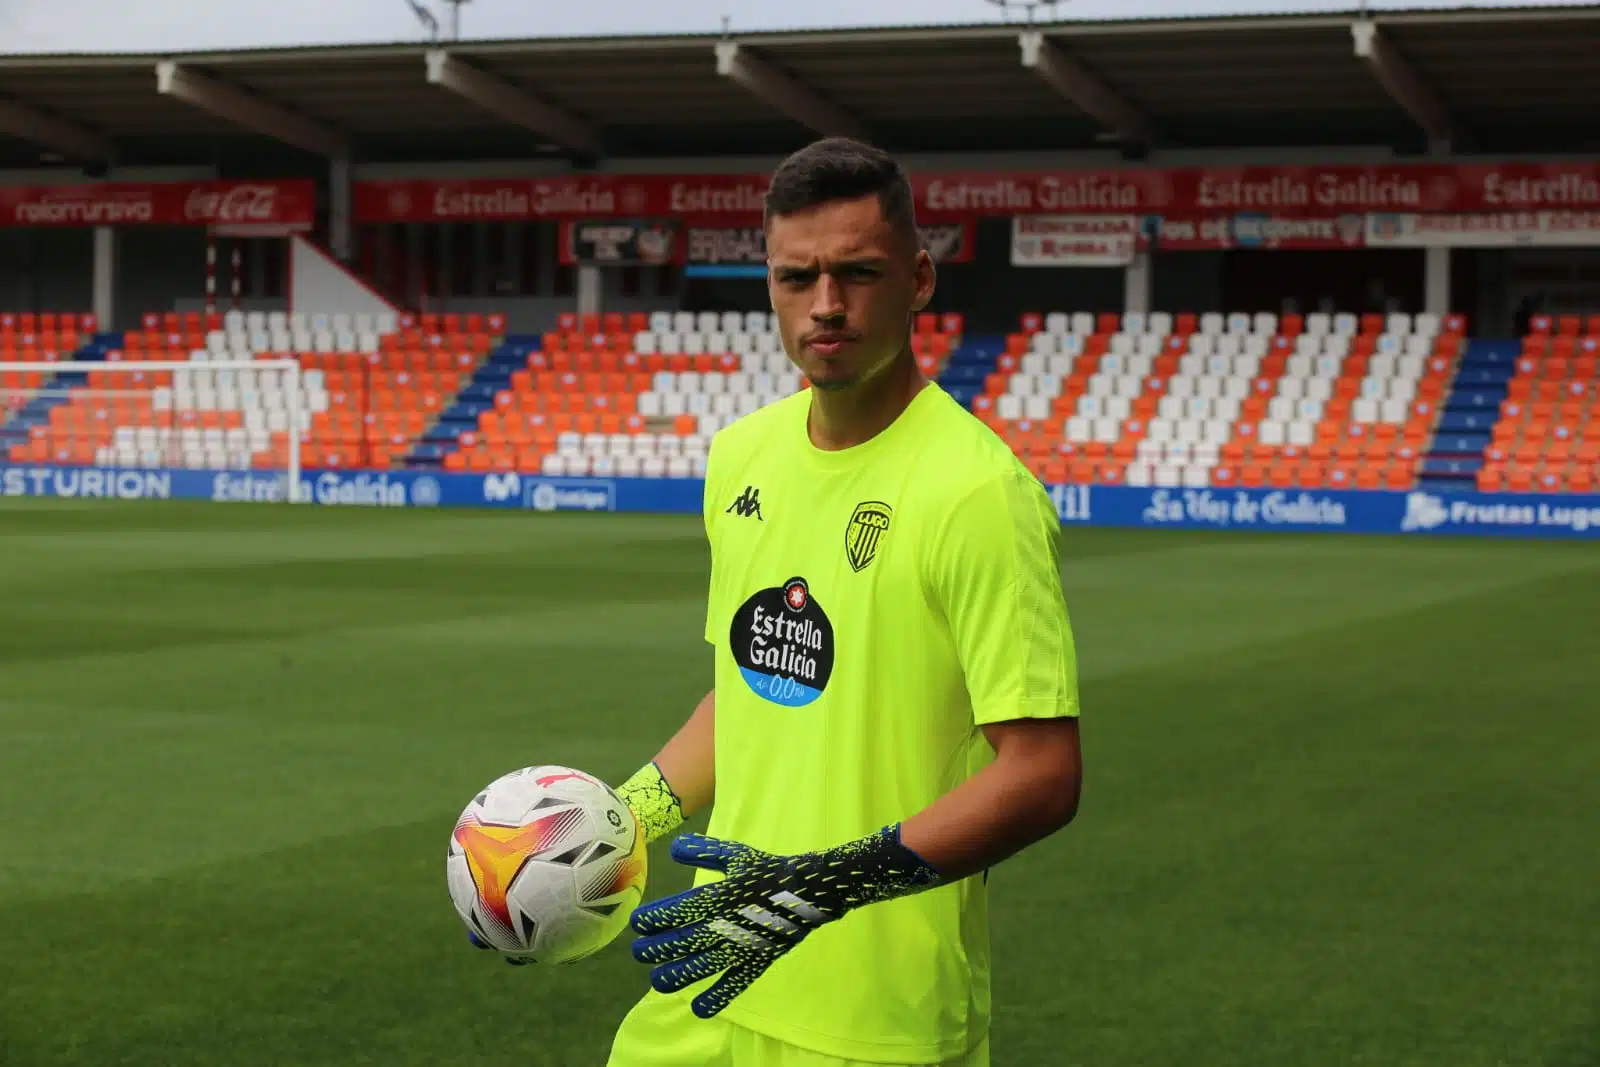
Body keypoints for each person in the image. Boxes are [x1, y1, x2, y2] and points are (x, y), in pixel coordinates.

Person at [605, 136, 1083, 1067]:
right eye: (798, 278)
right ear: (770, 286)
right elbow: (742, 694)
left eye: (857, 274)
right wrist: (623, 818)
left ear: (918, 279)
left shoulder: (977, 492)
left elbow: (1043, 770)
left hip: (874, 1018)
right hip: (713, 975)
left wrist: (828, 885)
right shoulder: (740, 455)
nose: (826, 305)